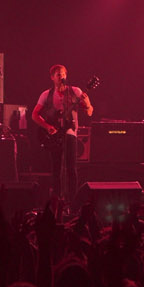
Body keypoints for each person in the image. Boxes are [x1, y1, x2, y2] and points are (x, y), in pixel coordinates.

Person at [32, 64, 94, 210]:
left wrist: (86, 103)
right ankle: (56, 200)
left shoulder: (75, 91)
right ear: (52, 77)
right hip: (54, 136)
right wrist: (47, 126)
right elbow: (35, 115)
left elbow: (90, 112)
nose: (61, 77)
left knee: (71, 168)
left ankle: (73, 202)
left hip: (70, 133)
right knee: (56, 168)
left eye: (63, 74)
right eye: (58, 74)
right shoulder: (46, 94)